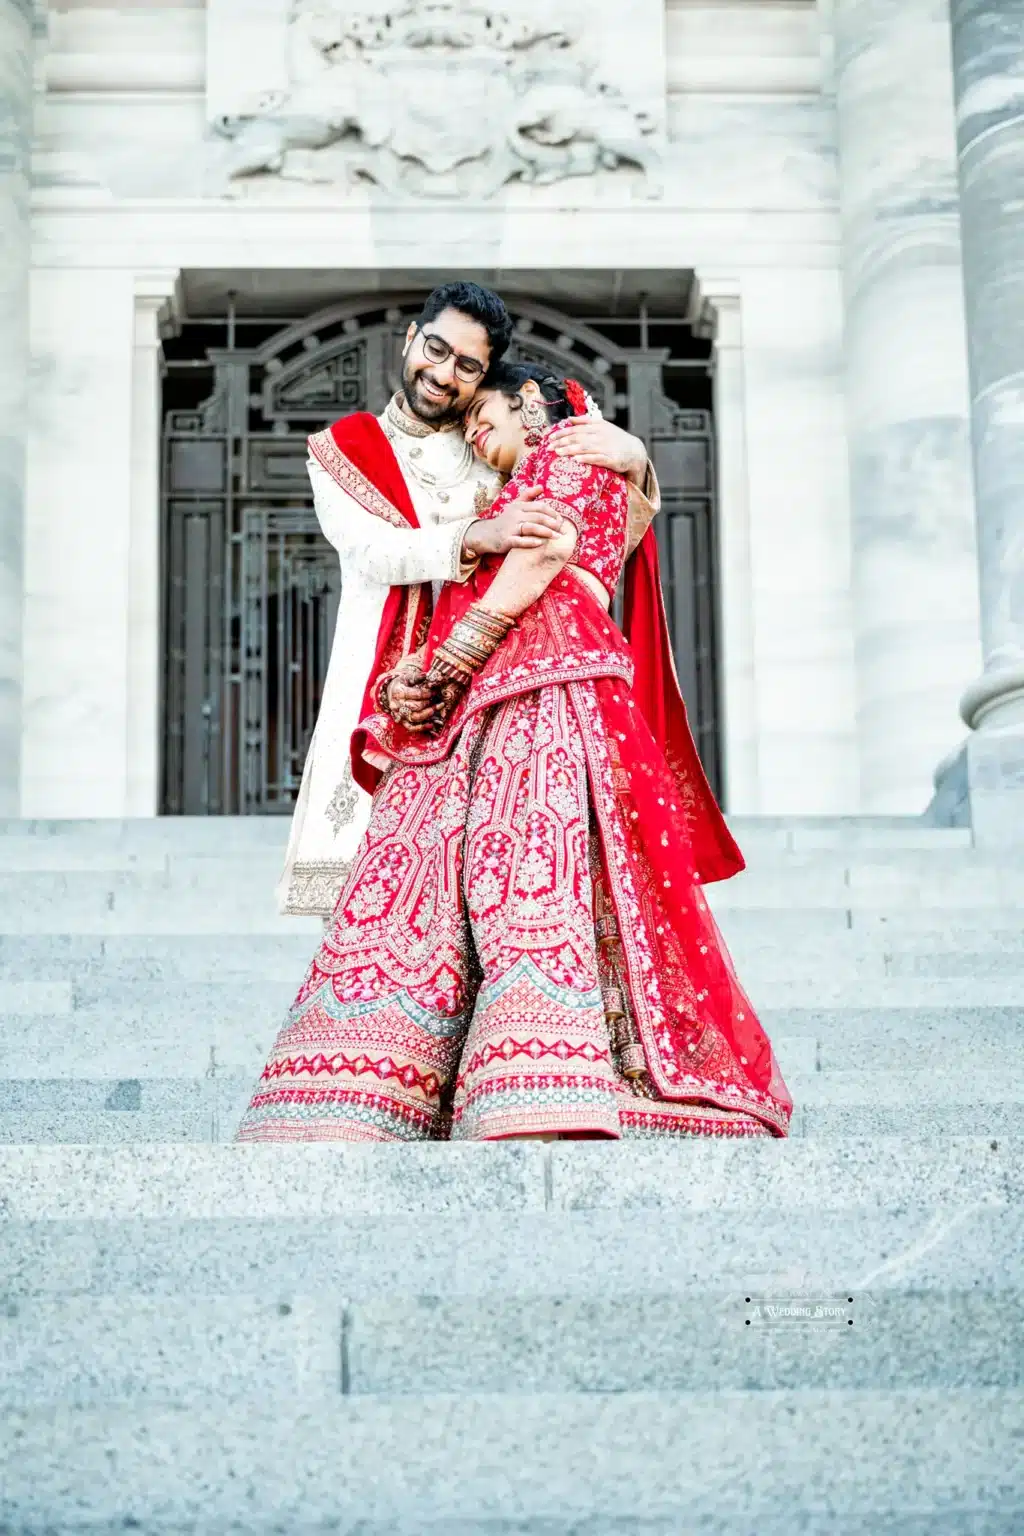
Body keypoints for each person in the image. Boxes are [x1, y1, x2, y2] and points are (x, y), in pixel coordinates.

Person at [236, 362, 792, 1142]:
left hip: (542, 679)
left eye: (482, 414)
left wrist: (452, 654)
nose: (473, 431)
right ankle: (525, 1073)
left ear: (528, 401)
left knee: (521, 867)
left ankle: (491, 1077)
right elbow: (609, 528)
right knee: (537, 870)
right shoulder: (591, 461)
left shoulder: (566, 451)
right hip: (545, 675)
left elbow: (545, 549)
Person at [278, 280, 657, 918]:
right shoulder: (344, 448)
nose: (444, 373)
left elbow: (595, 511)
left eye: (468, 366)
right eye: (436, 348)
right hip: (390, 678)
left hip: (506, 684)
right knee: (383, 903)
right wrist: (478, 534)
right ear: (411, 340)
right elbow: (372, 550)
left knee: (502, 893)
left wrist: (636, 456)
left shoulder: (503, 420)